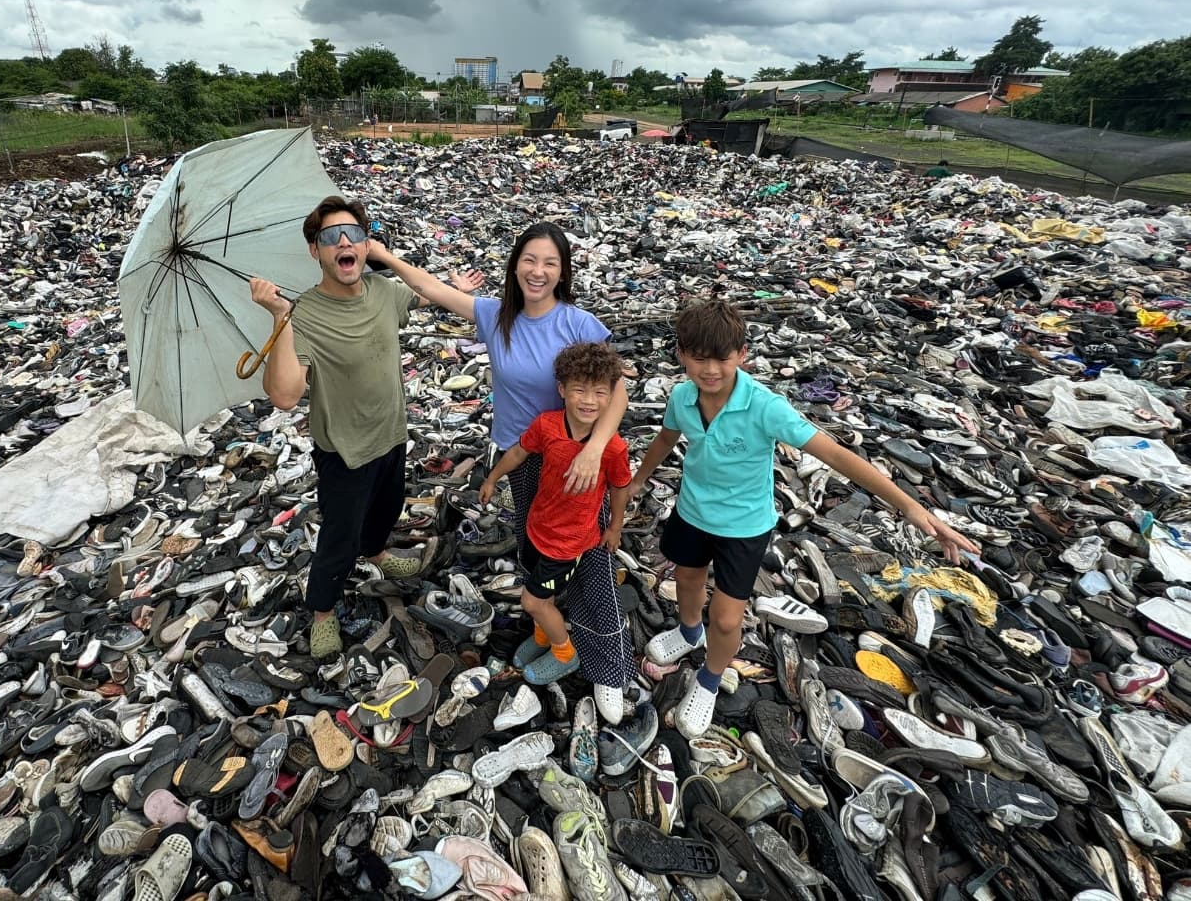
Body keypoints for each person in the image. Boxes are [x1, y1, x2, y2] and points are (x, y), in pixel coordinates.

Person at [628, 300, 981, 738]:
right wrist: (636, 480)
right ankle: (687, 631)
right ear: (681, 355)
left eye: (722, 358)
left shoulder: (765, 407)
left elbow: (834, 453)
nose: (711, 369)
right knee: (687, 580)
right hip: (692, 512)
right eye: (699, 358)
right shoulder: (682, 397)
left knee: (726, 619)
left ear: (742, 355)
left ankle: (710, 679)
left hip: (743, 528)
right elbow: (666, 438)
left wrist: (909, 506)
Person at [366, 223, 636, 722]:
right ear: (515, 265)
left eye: (550, 263)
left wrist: (595, 449)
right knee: (535, 546)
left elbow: (616, 389)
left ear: (562, 272)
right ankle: (548, 631)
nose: (539, 271)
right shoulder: (496, 316)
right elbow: (433, 288)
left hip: (578, 462)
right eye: (530, 260)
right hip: (524, 456)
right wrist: (382, 253)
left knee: (591, 562)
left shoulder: (578, 323)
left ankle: (607, 667)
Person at [249, 196, 425, 660]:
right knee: (337, 538)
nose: (343, 243)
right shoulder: (303, 313)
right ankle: (322, 610)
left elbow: (425, 294)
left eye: (354, 234)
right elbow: (285, 396)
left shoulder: (383, 291)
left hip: (391, 432)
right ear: (316, 251)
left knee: (388, 506)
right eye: (330, 237)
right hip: (344, 450)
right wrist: (279, 318)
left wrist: (388, 258)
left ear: (366, 243)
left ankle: (378, 552)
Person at [478, 342, 632, 685]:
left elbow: (621, 487)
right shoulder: (547, 425)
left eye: (599, 393)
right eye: (579, 390)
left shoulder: (613, 448)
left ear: (611, 396)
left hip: (567, 543)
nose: (589, 401)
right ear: (562, 390)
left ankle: (565, 652)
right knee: (538, 588)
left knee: (532, 600)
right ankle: (543, 636)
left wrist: (615, 527)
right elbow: (519, 451)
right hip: (537, 525)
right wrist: (492, 477)